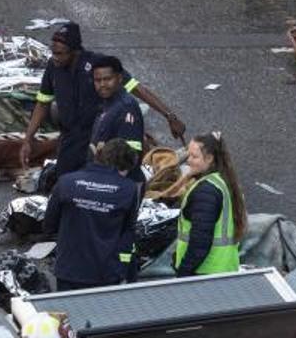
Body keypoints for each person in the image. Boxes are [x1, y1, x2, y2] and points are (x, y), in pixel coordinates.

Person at [20, 22, 184, 187]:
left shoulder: (99, 66)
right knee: (64, 184)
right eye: (53, 53)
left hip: (97, 137)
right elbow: (43, 103)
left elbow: (136, 88)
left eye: (60, 53)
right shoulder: (53, 67)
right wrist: (28, 139)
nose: (55, 57)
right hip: (70, 138)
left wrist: (169, 116)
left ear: (75, 51)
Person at [42, 138, 141, 291]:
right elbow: (128, 233)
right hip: (106, 273)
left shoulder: (66, 182)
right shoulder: (128, 189)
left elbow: (49, 225)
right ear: (123, 167)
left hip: (69, 269)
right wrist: (126, 271)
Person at [174, 132, 245, 277]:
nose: (188, 161)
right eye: (189, 155)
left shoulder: (206, 192)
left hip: (204, 273)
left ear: (210, 159)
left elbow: (200, 242)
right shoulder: (222, 181)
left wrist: (183, 273)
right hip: (222, 269)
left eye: (194, 156)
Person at [89, 55, 145, 183]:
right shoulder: (106, 102)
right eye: (98, 80)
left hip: (120, 185)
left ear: (119, 78)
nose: (102, 84)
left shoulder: (126, 107)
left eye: (107, 79)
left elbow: (129, 158)